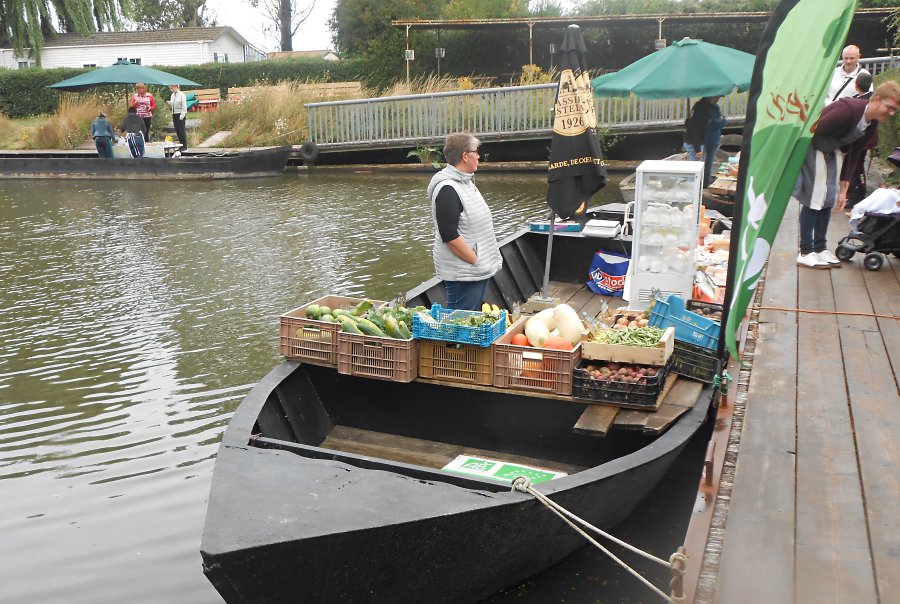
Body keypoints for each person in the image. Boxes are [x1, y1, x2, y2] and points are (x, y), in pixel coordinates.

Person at [793, 81, 900, 268]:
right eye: (889, 107)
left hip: (833, 150)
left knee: (829, 198)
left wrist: (844, 188)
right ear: (876, 99)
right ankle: (805, 251)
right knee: (816, 198)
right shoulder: (848, 110)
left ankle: (820, 248)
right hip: (812, 147)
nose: (891, 113)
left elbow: (855, 152)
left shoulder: (871, 123)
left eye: (894, 110)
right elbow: (812, 129)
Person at [426, 133, 503, 310]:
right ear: (465, 156)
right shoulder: (447, 189)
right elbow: (449, 235)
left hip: (475, 270)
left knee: (468, 319)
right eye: (476, 152)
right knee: (460, 322)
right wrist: (474, 260)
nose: (478, 156)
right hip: (464, 272)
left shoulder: (465, 183)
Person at [683, 97, 727, 187]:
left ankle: (701, 187)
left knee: (701, 167)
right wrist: (698, 149)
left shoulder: (713, 108)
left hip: (702, 141)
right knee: (696, 168)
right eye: (716, 97)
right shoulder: (701, 110)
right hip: (697, 142)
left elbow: (721, 122)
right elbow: (696, 131)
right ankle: (693, 189)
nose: (717, 99)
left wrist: (717, 121)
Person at [167, 83, 188, 151]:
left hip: (180, 114)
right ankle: (181, 145)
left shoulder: (182, 95)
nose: (171, 90)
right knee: (177, 130)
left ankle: (184, 146)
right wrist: (169, 104)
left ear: (176, 87)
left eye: (172, 88)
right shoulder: (172, 95)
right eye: (170, 88)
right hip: (174, 113)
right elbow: (172, 104)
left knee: (181, 130)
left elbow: (184, 107)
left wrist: (182, 116)